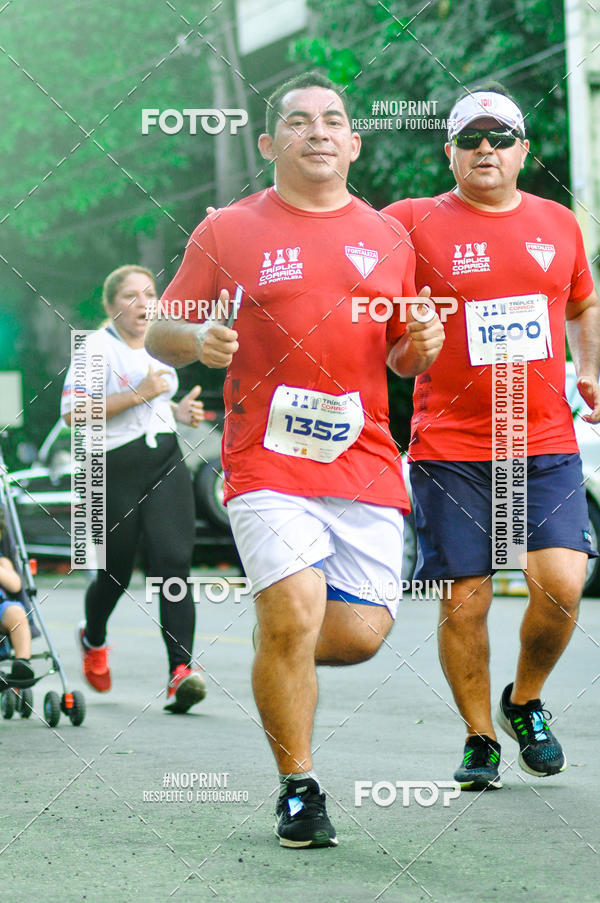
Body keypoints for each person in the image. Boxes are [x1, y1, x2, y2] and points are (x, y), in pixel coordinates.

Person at [145, 70, 444, 848]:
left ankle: (275, 643)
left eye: (333, 119)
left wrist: (422, 344)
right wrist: (198, 341)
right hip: (267, 457)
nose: (318, 130)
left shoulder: (389, 237)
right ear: (269, 142)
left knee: (360, 633)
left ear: (353, 142)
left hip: (365, 459)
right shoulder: (228, 229)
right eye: (300, 120)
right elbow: (162, 329)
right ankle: (299, 788)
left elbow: (402, 358)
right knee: (295, 610)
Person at [384, 82, 600, 791]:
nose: (486, 149)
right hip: (452, 444)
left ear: (522, 151)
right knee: (464, 598)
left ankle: (524, 699)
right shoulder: (410, 222)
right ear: (449, 152)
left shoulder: (558, 223)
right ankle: (480, 736)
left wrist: (590, 369)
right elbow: (341, 252)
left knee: (563, 582)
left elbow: (583, 300)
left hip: (543, 437)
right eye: (471, 138)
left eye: (500, 137)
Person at [61, 265, 207, 713]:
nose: (143, 304)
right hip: (111, 468)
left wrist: (177, 412)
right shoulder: (95, 349)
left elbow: (156, 401)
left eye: (150, 294)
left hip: (164, 461)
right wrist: (140, 394)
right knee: (115, 573)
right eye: (130, 296)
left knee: (173, 562)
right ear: (110, 306)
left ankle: (180, 672)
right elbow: (72, 415)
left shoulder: (165, 346)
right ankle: (93, 635)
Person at [0, 511, 34, 684]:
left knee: (17, 612)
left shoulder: (2, 562)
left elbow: (15, 585)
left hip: (1, 609)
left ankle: (22, 661)